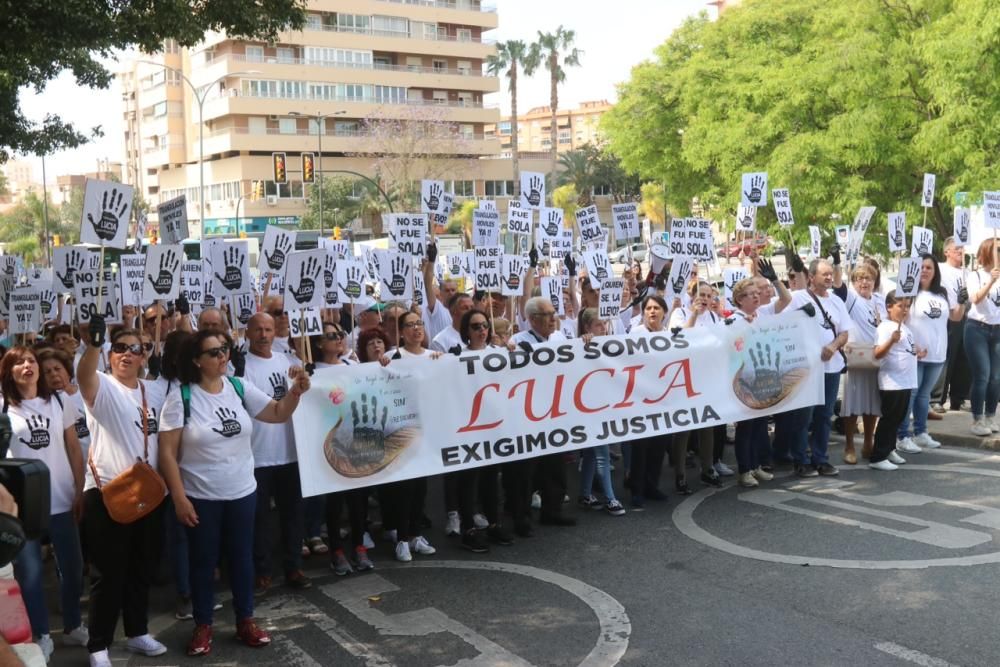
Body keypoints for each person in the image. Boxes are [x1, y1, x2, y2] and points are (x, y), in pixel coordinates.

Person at [158, 329, 310, 657]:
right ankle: (203, 625)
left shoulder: (239, 387)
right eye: (213, 352)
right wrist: (179, 497)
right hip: (201, 496)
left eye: (224, 349)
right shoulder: (180, 398)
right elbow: (167, 453)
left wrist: (296, 392)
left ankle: (245, 620)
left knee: (242, 560)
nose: (222, 356)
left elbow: (277, 413)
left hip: (242, 492)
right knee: (203, 562)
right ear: (197, 361)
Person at [77, 320, 170, 667]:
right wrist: (94, 345)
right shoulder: (102, 385)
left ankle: (136, 632)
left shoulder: (154, 390)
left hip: (148, 493)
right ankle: (98, 644)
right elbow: (85, 375)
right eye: (121, 348)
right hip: (107, 494)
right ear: (110, 355)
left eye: (137, 348)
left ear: (145, 355)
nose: (129, 354)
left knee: (140, 568)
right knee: (108, 574)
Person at [1, 346, 87, 661]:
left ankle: (74, 624)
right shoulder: (3, 408)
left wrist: (80, 490)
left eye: (31, 360)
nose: (28, 365)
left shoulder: (60, 401)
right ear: (8, 371)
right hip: (24, 507)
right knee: (31, 575)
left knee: (73, 568)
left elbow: (74, 449)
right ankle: (40, 634)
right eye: (19, 362)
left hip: (62, 499)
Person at [242, 313, 312, 592]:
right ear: (247, 333)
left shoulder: (288, 362)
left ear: (275, 333)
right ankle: (262, 568)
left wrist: (302, 376)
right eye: (257, 329)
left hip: (290, 452)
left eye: (268, 329)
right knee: (259, 519)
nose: (263, 334)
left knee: (293, 514)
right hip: (256, 455)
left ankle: (293, 566)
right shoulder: (241, 366)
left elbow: (307, 392)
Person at [309, 321, 374, 575]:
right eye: (331, 336)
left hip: (355, 442)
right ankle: (337, 551)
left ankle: (359, 547)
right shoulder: (312, 370)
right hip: (328, 444)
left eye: (341, 334)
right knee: (334, 503)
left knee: (358, 501)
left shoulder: (353, 366)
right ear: (318, 342)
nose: (338, 339)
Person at [776, 259, 851, 478]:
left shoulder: (836, 301)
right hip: (806, 368)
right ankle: (801, 459)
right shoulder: (798, 298)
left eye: (831, 274)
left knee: (824, 415)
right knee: (804, 416)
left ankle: (820, 458)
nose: (829, 277)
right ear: (811, 277)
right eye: (824, 274)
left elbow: (844, 331)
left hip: (831, 367)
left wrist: (833, 346)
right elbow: (779, 322)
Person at [509, 297, 575, 527]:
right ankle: (522, 517)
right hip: (528, 415)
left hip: (555, 412)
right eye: (547, 314)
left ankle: (552, 511)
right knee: (526, 471)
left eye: (553, 312)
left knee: (555, 467)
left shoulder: (559, 338)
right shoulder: (517, 341)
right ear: (533, 319)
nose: (553, 318)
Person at [897, 254, 962, 452]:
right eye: (922, 267)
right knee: (911, 395)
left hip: (937, 354)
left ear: (935, 272)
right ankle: (902, 436)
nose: (925, 270)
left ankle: (921, 433)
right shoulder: (909, 293)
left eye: (929, 267)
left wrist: (962, 301)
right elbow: (898, 321)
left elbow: (956, 317)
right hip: (915, 354)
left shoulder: (942, 293)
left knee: (924, 396)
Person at [576, 308, 627, 515]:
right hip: (588, 407)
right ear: (587, 327)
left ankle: (585, 494)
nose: (603, 328)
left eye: (604, 324)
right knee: (602, 453)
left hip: (603, 405)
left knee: (591, 452)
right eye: (598, 325)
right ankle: (610, 498)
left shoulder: (607, 343)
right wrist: (583, 341)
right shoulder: (580, 344)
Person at [627, 295, 676, 507]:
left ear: (664, 312)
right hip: (640, 399)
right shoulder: (635, 333)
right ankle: (637, 489)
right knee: (641, 448)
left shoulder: (670, 335)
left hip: (663, 399)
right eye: (648, 308)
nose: (652, 312)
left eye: (657, 308)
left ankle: (652, 485)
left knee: (659, 446)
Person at [726, 279, 775, 488]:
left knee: (758, 426)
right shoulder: (733, 322)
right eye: (750, 294)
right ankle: (744, 469)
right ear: (739, 299)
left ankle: (755, 465)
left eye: (757, 293)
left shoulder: (758, 318)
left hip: (761, 378)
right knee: (745, 428)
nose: (756, 296)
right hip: (743, 381)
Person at [871, 292, 923, 470]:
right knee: (889, 419)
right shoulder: (885, 327)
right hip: (892, 382)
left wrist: (918, 353)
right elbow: (877, 353)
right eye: (901, 306)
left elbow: (907, 351)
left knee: (898, 418)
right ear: (889, 307)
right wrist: (891, 341)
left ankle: (889, 449)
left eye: (907, 306)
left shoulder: (906, 329)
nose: (905, 310)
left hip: (906, 381)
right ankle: (878, 456)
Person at [840, 264, 884, 463]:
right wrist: (837, 264)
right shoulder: (851, 299)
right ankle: (849, 445)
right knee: (853, 404)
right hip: (856, 358)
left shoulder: (880, 300)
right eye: (859, 279)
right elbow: (839, 286)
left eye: (868, 278)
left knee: (872, 403)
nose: (864, 282)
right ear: (854, 282)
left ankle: (868, 443)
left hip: (876, 357)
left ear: (875, 281)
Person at [964, 239, 1000, 436]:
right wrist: (991, 281)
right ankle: (977, 420)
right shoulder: (975, 275)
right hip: (977, 329)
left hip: (998, 330)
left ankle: (990, 416)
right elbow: (975, 299)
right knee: (983, 375)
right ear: (988, 252)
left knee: (996, 378)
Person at [931, 237, 971, 414]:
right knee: (946, 357)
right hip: (947, 317)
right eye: (957, 249)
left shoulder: (967, 272)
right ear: (946, 251)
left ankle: (958, 398)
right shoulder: (940, 269)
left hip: (966, 317)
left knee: (964, 358)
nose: (961, 252)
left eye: (962, 249)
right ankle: (936, 398)